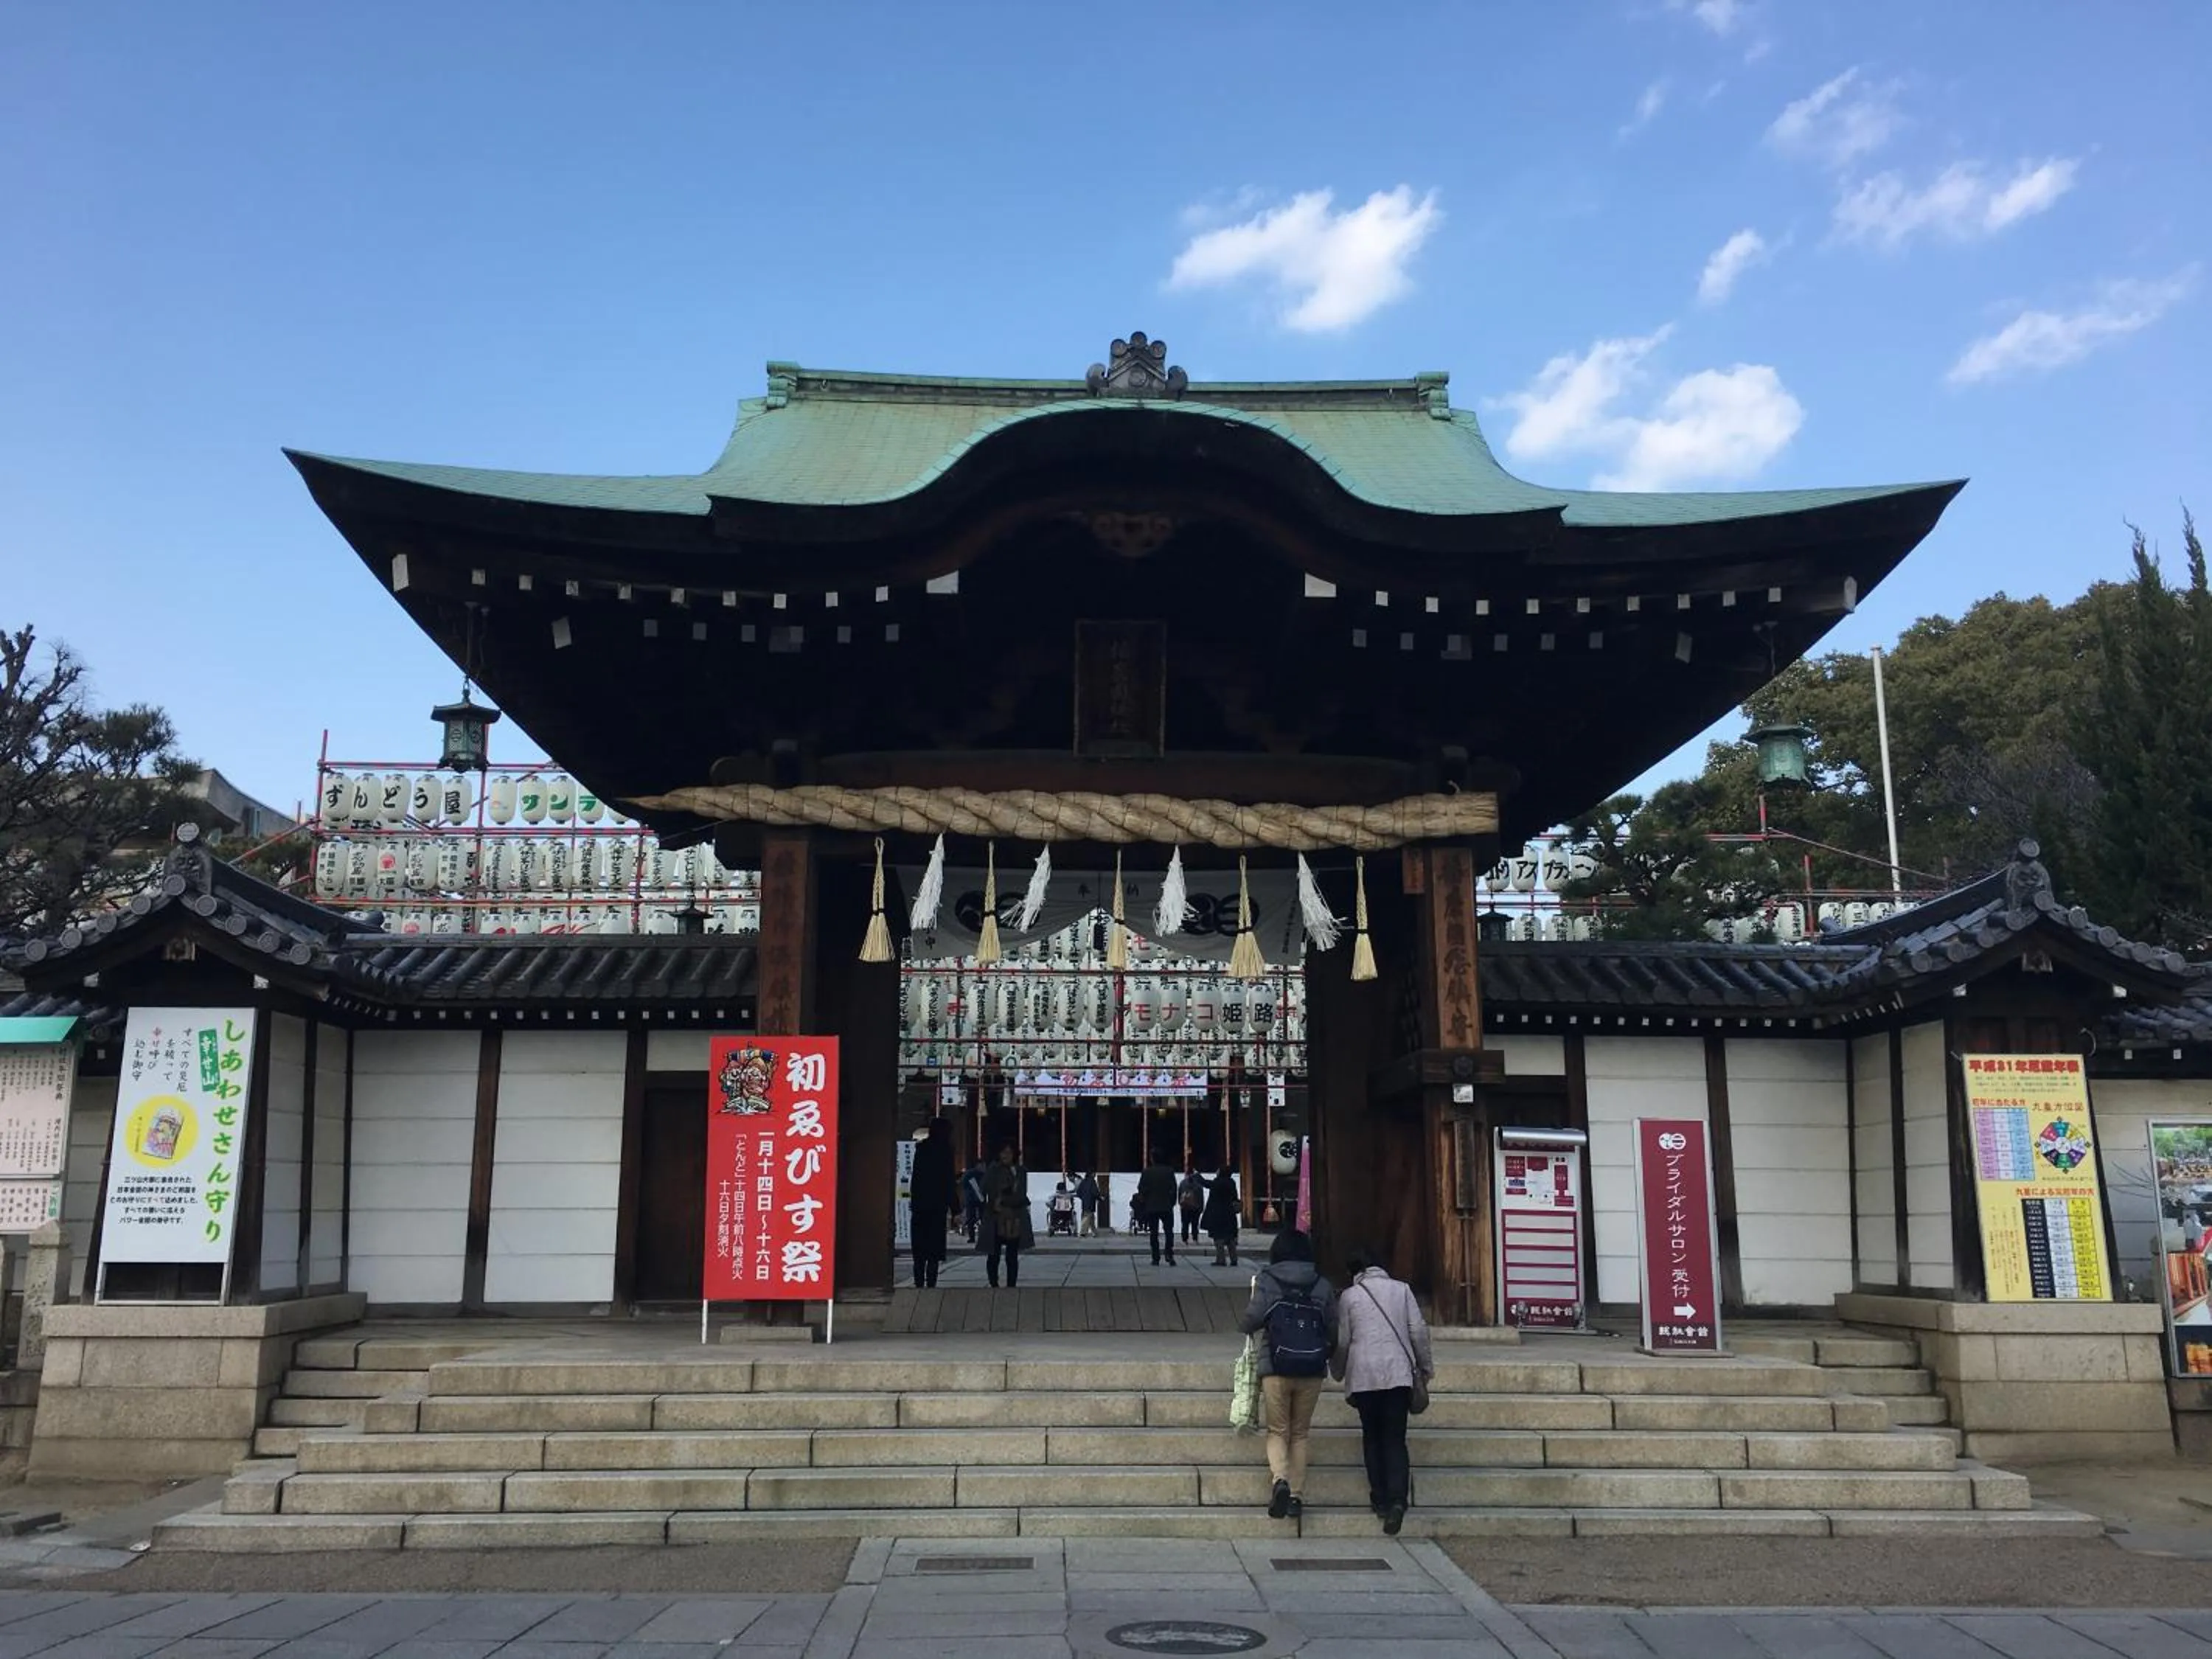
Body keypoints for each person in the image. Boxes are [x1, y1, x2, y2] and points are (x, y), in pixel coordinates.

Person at [1332, 1247, 1433, 1535]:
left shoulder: (1350, 1297)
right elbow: (1417, 1331)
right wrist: (1425, 1367)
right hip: (1398, 1373)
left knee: (1372, 1437)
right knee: (1395, 1438)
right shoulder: (1402, 1290)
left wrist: (1337, 1371)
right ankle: (1398, 1500)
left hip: (1364, 1375)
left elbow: (1343, 1341)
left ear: (1355, 1271)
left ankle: (1379, 1498)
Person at [1238, 1229, 1336, 1521]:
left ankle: (1280, 1480)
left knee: (1278, 1430)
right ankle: (1295, 1496)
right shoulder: (1322, 1284)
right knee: (1300, 1432)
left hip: (1276, 1365)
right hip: (1312, 1367)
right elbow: (1334, 1328)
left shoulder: (1268, 1280)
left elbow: (1251, 1319)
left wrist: (1245, 1324)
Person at [907, 1119, 957, 1288]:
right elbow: (949, 1181)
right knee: (934, 1250)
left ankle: (919, 1282)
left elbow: (916, 1179)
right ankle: (931, 1283)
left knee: (919, 1250)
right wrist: (955, 1208)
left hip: (920, 1205)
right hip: (937, 1206)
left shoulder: (921, 1149)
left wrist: (914, 1201)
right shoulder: (946, 1151)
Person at [979, 1144, 1033, 1288]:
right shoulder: (993, 1170)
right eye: (1003, 1152)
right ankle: (993, 1283)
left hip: (1014, 1217)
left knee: (1012, 1255)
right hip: (995, 1218)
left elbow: (1021, 1194)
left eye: (1009, 1152)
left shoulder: (1020, 1171)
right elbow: (983, 1189)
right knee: (993, 1254)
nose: (1006, 1155)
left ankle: (1011, 1285)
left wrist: (1004, 1200)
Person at [1136, 1153, 1180, 1265]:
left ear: (1153, 1159)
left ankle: (1156, 1258)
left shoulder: (1147, 1172)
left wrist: (1145, 1200)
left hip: (1152, 1206)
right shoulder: (1169, 1171)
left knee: (1154, 1233)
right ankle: (1169, 1254)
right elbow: (1174, 1188)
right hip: (1166, 1206)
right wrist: (1172, 1203)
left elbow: (1141, 1188)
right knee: (1169, 1232)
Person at [1200, 1161, 1241, 1267]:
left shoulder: (1218, 1182)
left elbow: (1206, 1184)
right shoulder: (1231, 1182)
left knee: (1219, 1239)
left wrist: (1197, 1176)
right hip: (1229, 1214)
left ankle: (1221, 1259)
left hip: (1218, 1214)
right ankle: (1234, 1259)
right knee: (1230, 1238)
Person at [1178, 1163, 1206, 1245]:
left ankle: (1185, 1239)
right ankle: (1195, 1238)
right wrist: (1201, 1207)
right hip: (1196, 1207)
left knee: (1185, 1224)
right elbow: (1201, 1197)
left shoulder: (1183, 1183)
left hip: (1185, 1207)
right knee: (1195, 1223)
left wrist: (1180, 1204)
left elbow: (1179, 1195)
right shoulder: (1198, 1184)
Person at [961, 1158, 987, 1245]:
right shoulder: (977, 1174)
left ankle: (973, 1237)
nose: (984, 1167)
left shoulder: (969, 1174)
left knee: (972, 1218)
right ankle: (981, 1237)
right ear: (978, 1165)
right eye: (983, 1165)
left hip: (972, 1199)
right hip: (975, 1199)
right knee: (979, 1218)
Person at [1075, 1170, 1101, 1237]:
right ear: (1092, 1174)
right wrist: (1099, 1198)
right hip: (1091, 1202)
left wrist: (1083, 1198)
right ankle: (1083, 1232)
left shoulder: (1083, 1181)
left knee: (1091, 1218)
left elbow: (1079, 1192)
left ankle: (1094, 1232)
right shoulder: (1092, 1182)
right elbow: (1095, 1192)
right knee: (1087, 1217)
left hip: (1084, 1202)